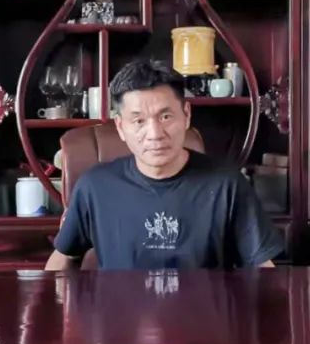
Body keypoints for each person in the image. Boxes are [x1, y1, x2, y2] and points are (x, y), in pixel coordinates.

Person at [45, 59, 284, 271]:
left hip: (202, 309)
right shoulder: (95, 187)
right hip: (120, 309)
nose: (155, 134)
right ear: (120, 127)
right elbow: (62, 261)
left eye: (166, 117)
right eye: (138, 121)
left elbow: (263, 269)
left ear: (186, 115)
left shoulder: (227, 185)